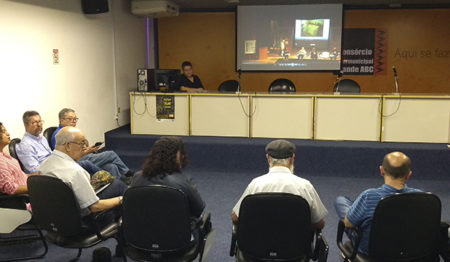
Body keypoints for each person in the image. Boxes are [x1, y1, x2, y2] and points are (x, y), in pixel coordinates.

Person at [334, 151, 422, 255]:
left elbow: (349, 223)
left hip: (370, 251)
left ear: (382, 171)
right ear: (408, 175)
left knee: (341, 201)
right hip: (408, 250)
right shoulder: (421, 197)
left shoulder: (369, 196)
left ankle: (358, 209)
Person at [39, 127, 126, 228]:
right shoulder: (75, 171)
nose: (85, 148)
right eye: (82, 144)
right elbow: (95, 207)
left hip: (56, 221)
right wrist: (121, 199)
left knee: (111, 174)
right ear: (68, 146)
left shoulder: (45, 165)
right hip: (82, 224)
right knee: (118, 186)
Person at [232, 139, 327, 229]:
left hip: (259, 244)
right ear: (292, 159)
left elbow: (235, 217)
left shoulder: (256, 185)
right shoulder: (305, 186)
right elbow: (319, 223)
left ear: (268, 158)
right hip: (296, 245)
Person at [131, 136, 205, 242]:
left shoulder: (137, 178)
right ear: (178, 157)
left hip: (141, 240)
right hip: (177, 242)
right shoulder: (184, 181)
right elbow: (199, 209)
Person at [51, 108, 132, 180]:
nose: (74, 121)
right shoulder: (59, 135)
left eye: (75, 119)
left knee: (111, 166)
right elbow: (69, 157)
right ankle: (128, 173)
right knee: (111, 154)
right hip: (76, 161)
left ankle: (117, 186)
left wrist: (88, 149)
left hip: (83, 157)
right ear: (62, 120)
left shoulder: (71, 131)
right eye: (70, 119)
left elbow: (77, 150)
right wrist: (86, 152)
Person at [15, 111, 101, 176]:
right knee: (85, 164)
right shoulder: (25, 145)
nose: (39, 125)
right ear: (26, 125)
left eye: (40, 121)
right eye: (35, 122)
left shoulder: (41, 138)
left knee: (108, 166)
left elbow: (51, 155)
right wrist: (57, 165)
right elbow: (34, 170)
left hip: (57, 165)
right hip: (49, 173)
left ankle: (106, 182)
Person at [0, 122, 30, 195]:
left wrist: (39, 175)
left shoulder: (5, 156)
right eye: (4, 132)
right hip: (24, 199)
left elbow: (21, 176)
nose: (8, 134)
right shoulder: (0, 161)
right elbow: (11, 188)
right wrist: (36, 187)